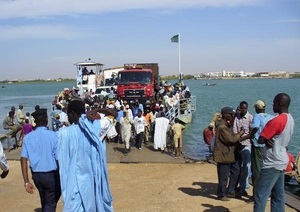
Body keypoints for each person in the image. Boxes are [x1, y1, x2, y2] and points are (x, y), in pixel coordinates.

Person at [56, 99, 114, 212]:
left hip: (74, 182)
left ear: (73, 113)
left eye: (68, 114)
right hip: (92, 179)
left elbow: (61, 159)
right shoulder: (96, 128)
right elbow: (112, 114)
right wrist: (97, 110)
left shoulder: (64, 133)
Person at [254, 93, 294, 212]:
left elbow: (261, 139)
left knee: (260, 195)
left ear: (280, 104)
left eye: (274, 103)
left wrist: (266, 140)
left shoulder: (276, 120)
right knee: (278, 195)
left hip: (271, 162)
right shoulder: (290, 119)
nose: (272, 105)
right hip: (282, 160)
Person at [20, 109, 61, 211]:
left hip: (37, 175)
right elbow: (58, 158)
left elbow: (23, 159)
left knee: (44, 199)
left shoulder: (28, 138)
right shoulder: (54, 136)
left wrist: (26, 181)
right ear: (46, 120)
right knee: (51, 202)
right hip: (51, 174)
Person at [213, 107, 245, 201]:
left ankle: (230, 190)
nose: (232, 116)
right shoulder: (222, 127)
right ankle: (221, 194)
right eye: (230, 114)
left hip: (229, 154)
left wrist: (236, 114)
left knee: (236, 171)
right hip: (224, 155)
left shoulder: (226, 124)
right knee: (223, 177)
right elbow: (231, 139)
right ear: (226, 115)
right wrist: (241, 133)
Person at [248, 100, 274, 202]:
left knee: (256, 170)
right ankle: (267, 193)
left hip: (258, 145)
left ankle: (256, 195)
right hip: (268, 145)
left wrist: (250, 136)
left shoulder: (257, 117)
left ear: (257, 108)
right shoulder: (271, 117)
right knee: (266, 168)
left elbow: (254, 127)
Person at [232, 101, 253, 197]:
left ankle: (244, 186)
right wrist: (238, 140)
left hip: (247, 144)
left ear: (247, 108)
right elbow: (234, 130)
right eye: (241, 108)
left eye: (244, 108)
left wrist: (241, 138)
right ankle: (238, 187)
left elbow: (251, 133)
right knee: (238, 166)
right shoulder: (237, 117)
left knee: (247, 167)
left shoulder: (250, 118)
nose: (243, 110)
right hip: (238, 144)